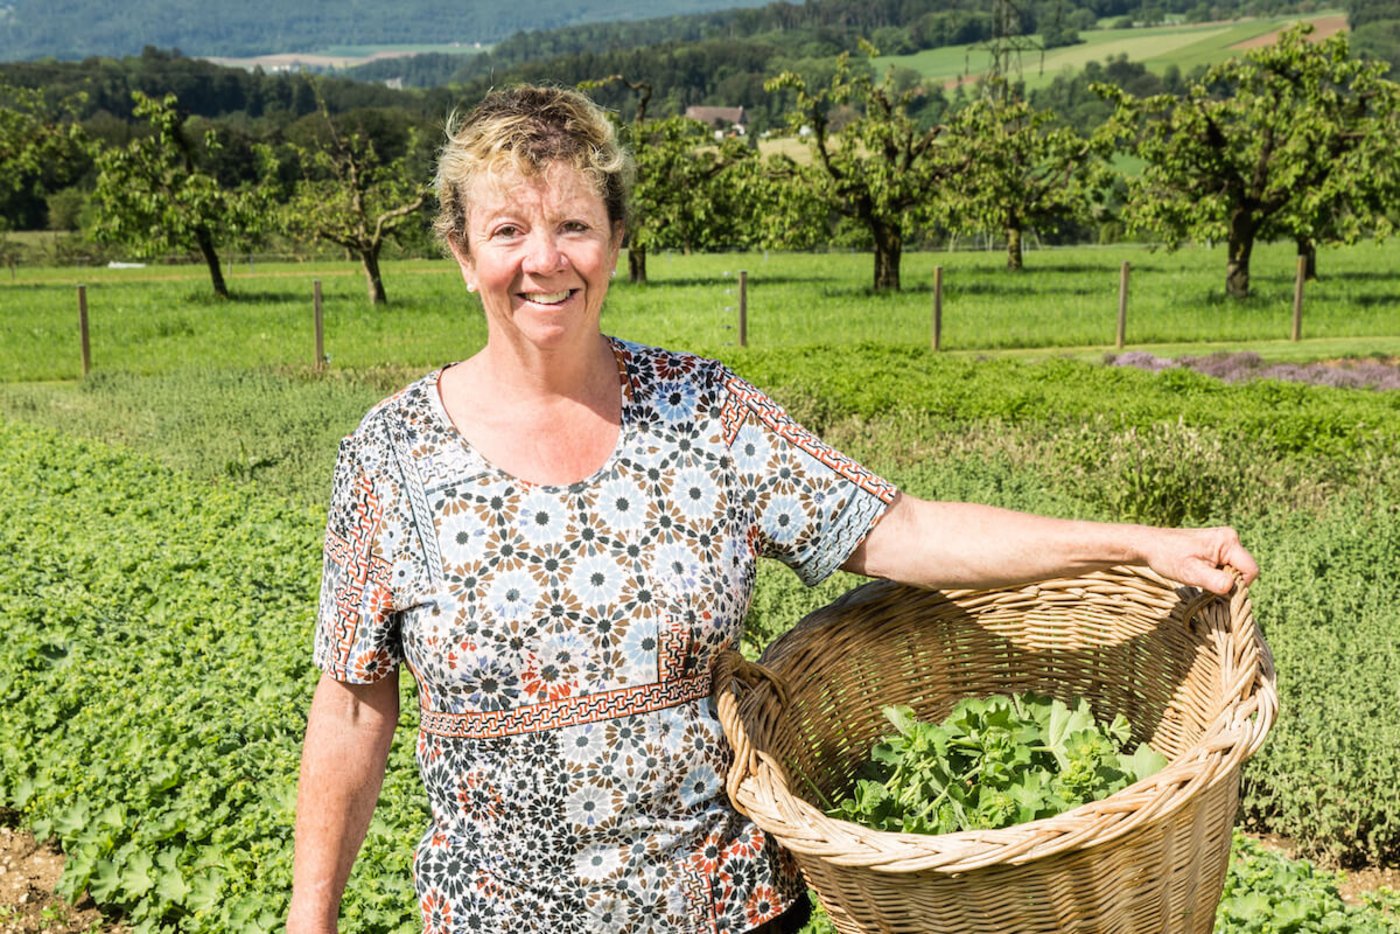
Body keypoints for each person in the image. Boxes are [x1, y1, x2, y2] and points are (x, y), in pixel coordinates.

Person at [286, 85, 1257, 934]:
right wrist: (310, 915)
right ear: (462, 254)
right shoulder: (392, 456)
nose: (545, 259)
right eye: (507, 231)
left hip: (722, 905)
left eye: (574, 225)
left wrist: (1136, 545)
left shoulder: (704, 413)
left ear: (616, 241)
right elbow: (353, 701)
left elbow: (902, 528)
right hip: (496, 912)